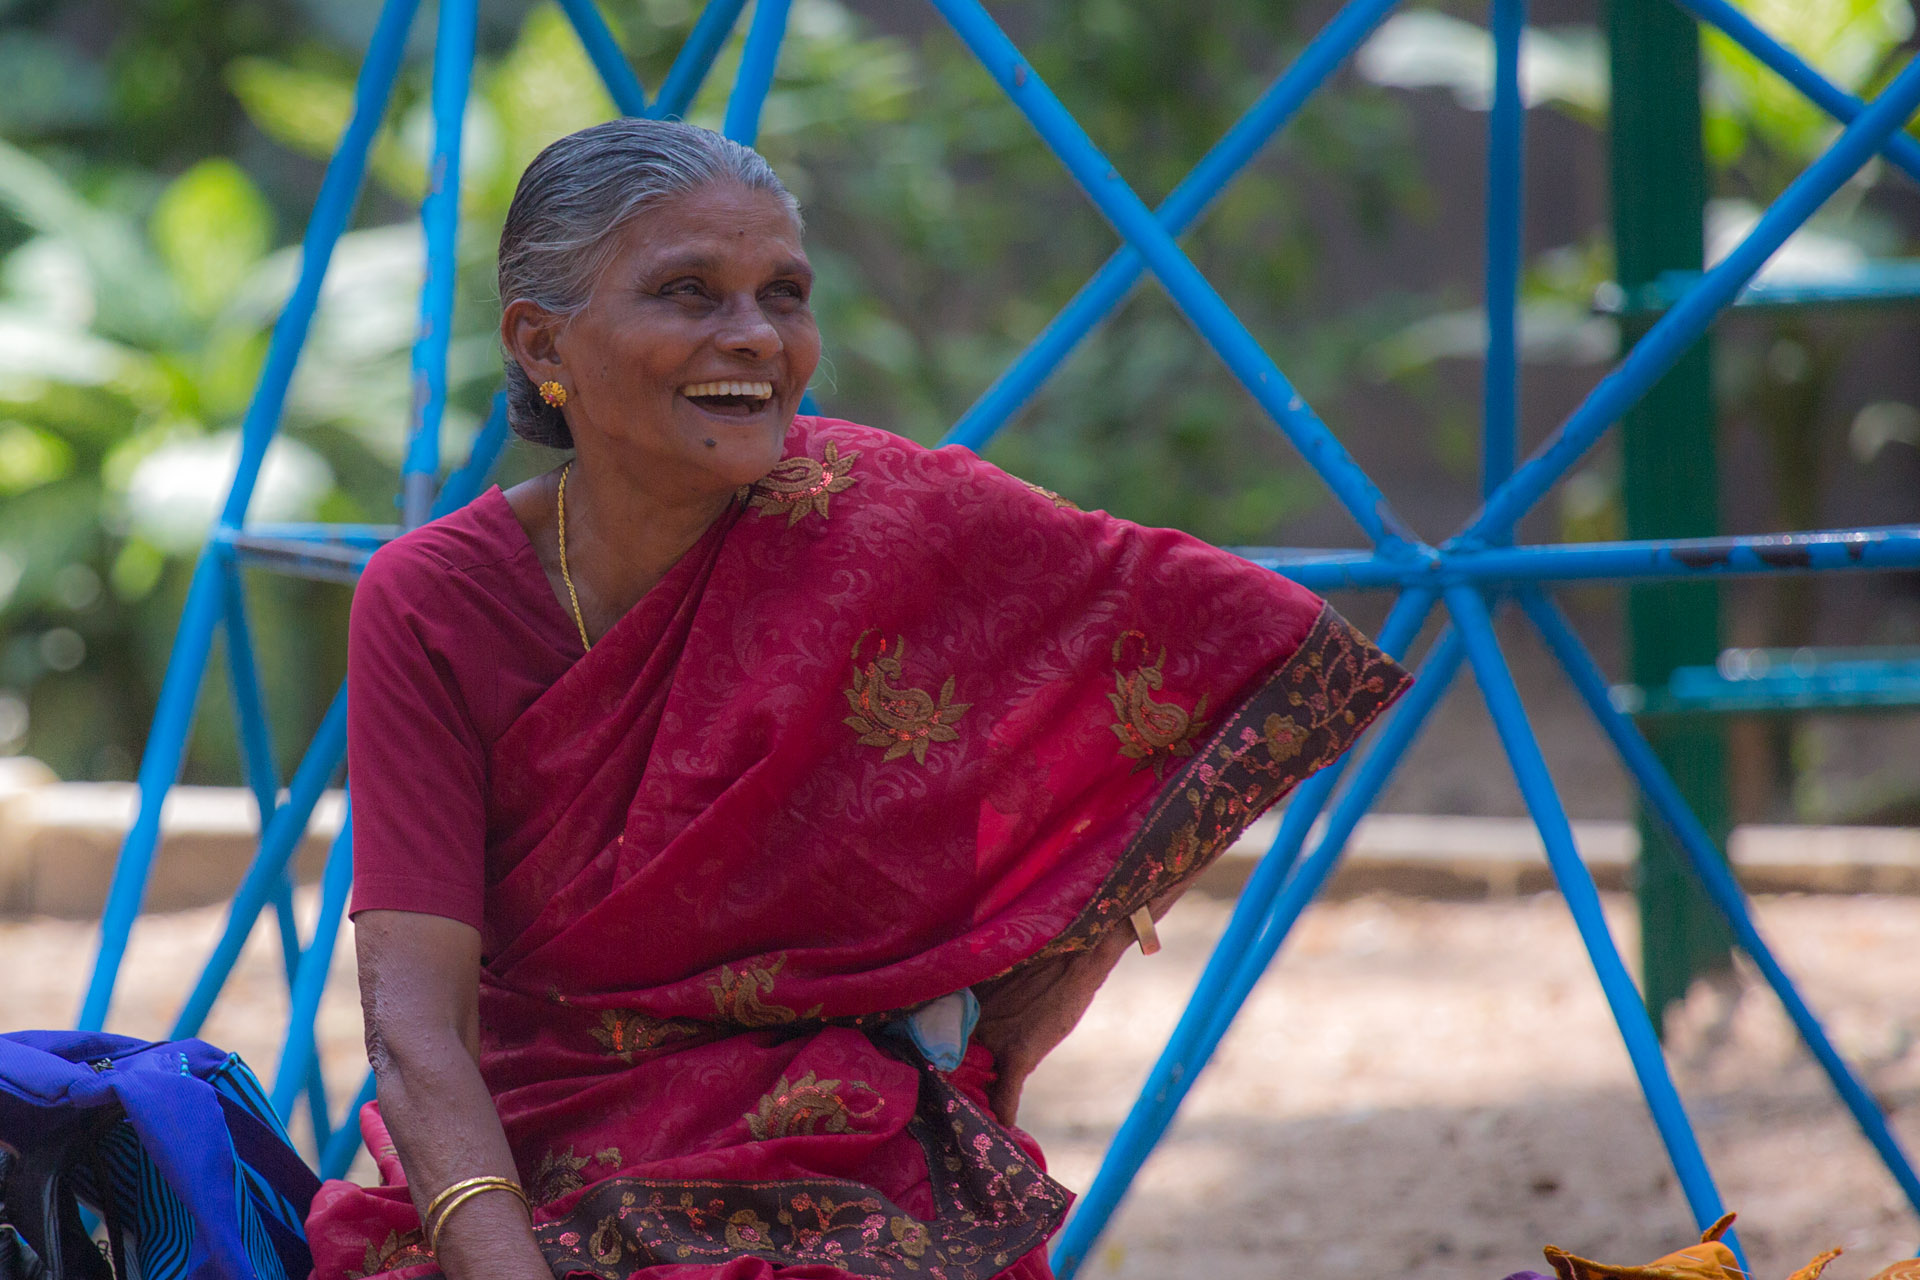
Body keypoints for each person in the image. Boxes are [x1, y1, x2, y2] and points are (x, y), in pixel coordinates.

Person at [305, 118, 1410, 1280]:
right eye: (689, 292)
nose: (755, 336)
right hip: (540, 1149)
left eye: (783, 294)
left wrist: (1081, 942)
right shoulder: (434, 599)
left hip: (844, 1146)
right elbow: (417, 1020)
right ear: (541, 341)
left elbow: (1270, 648)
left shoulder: (886, 512)